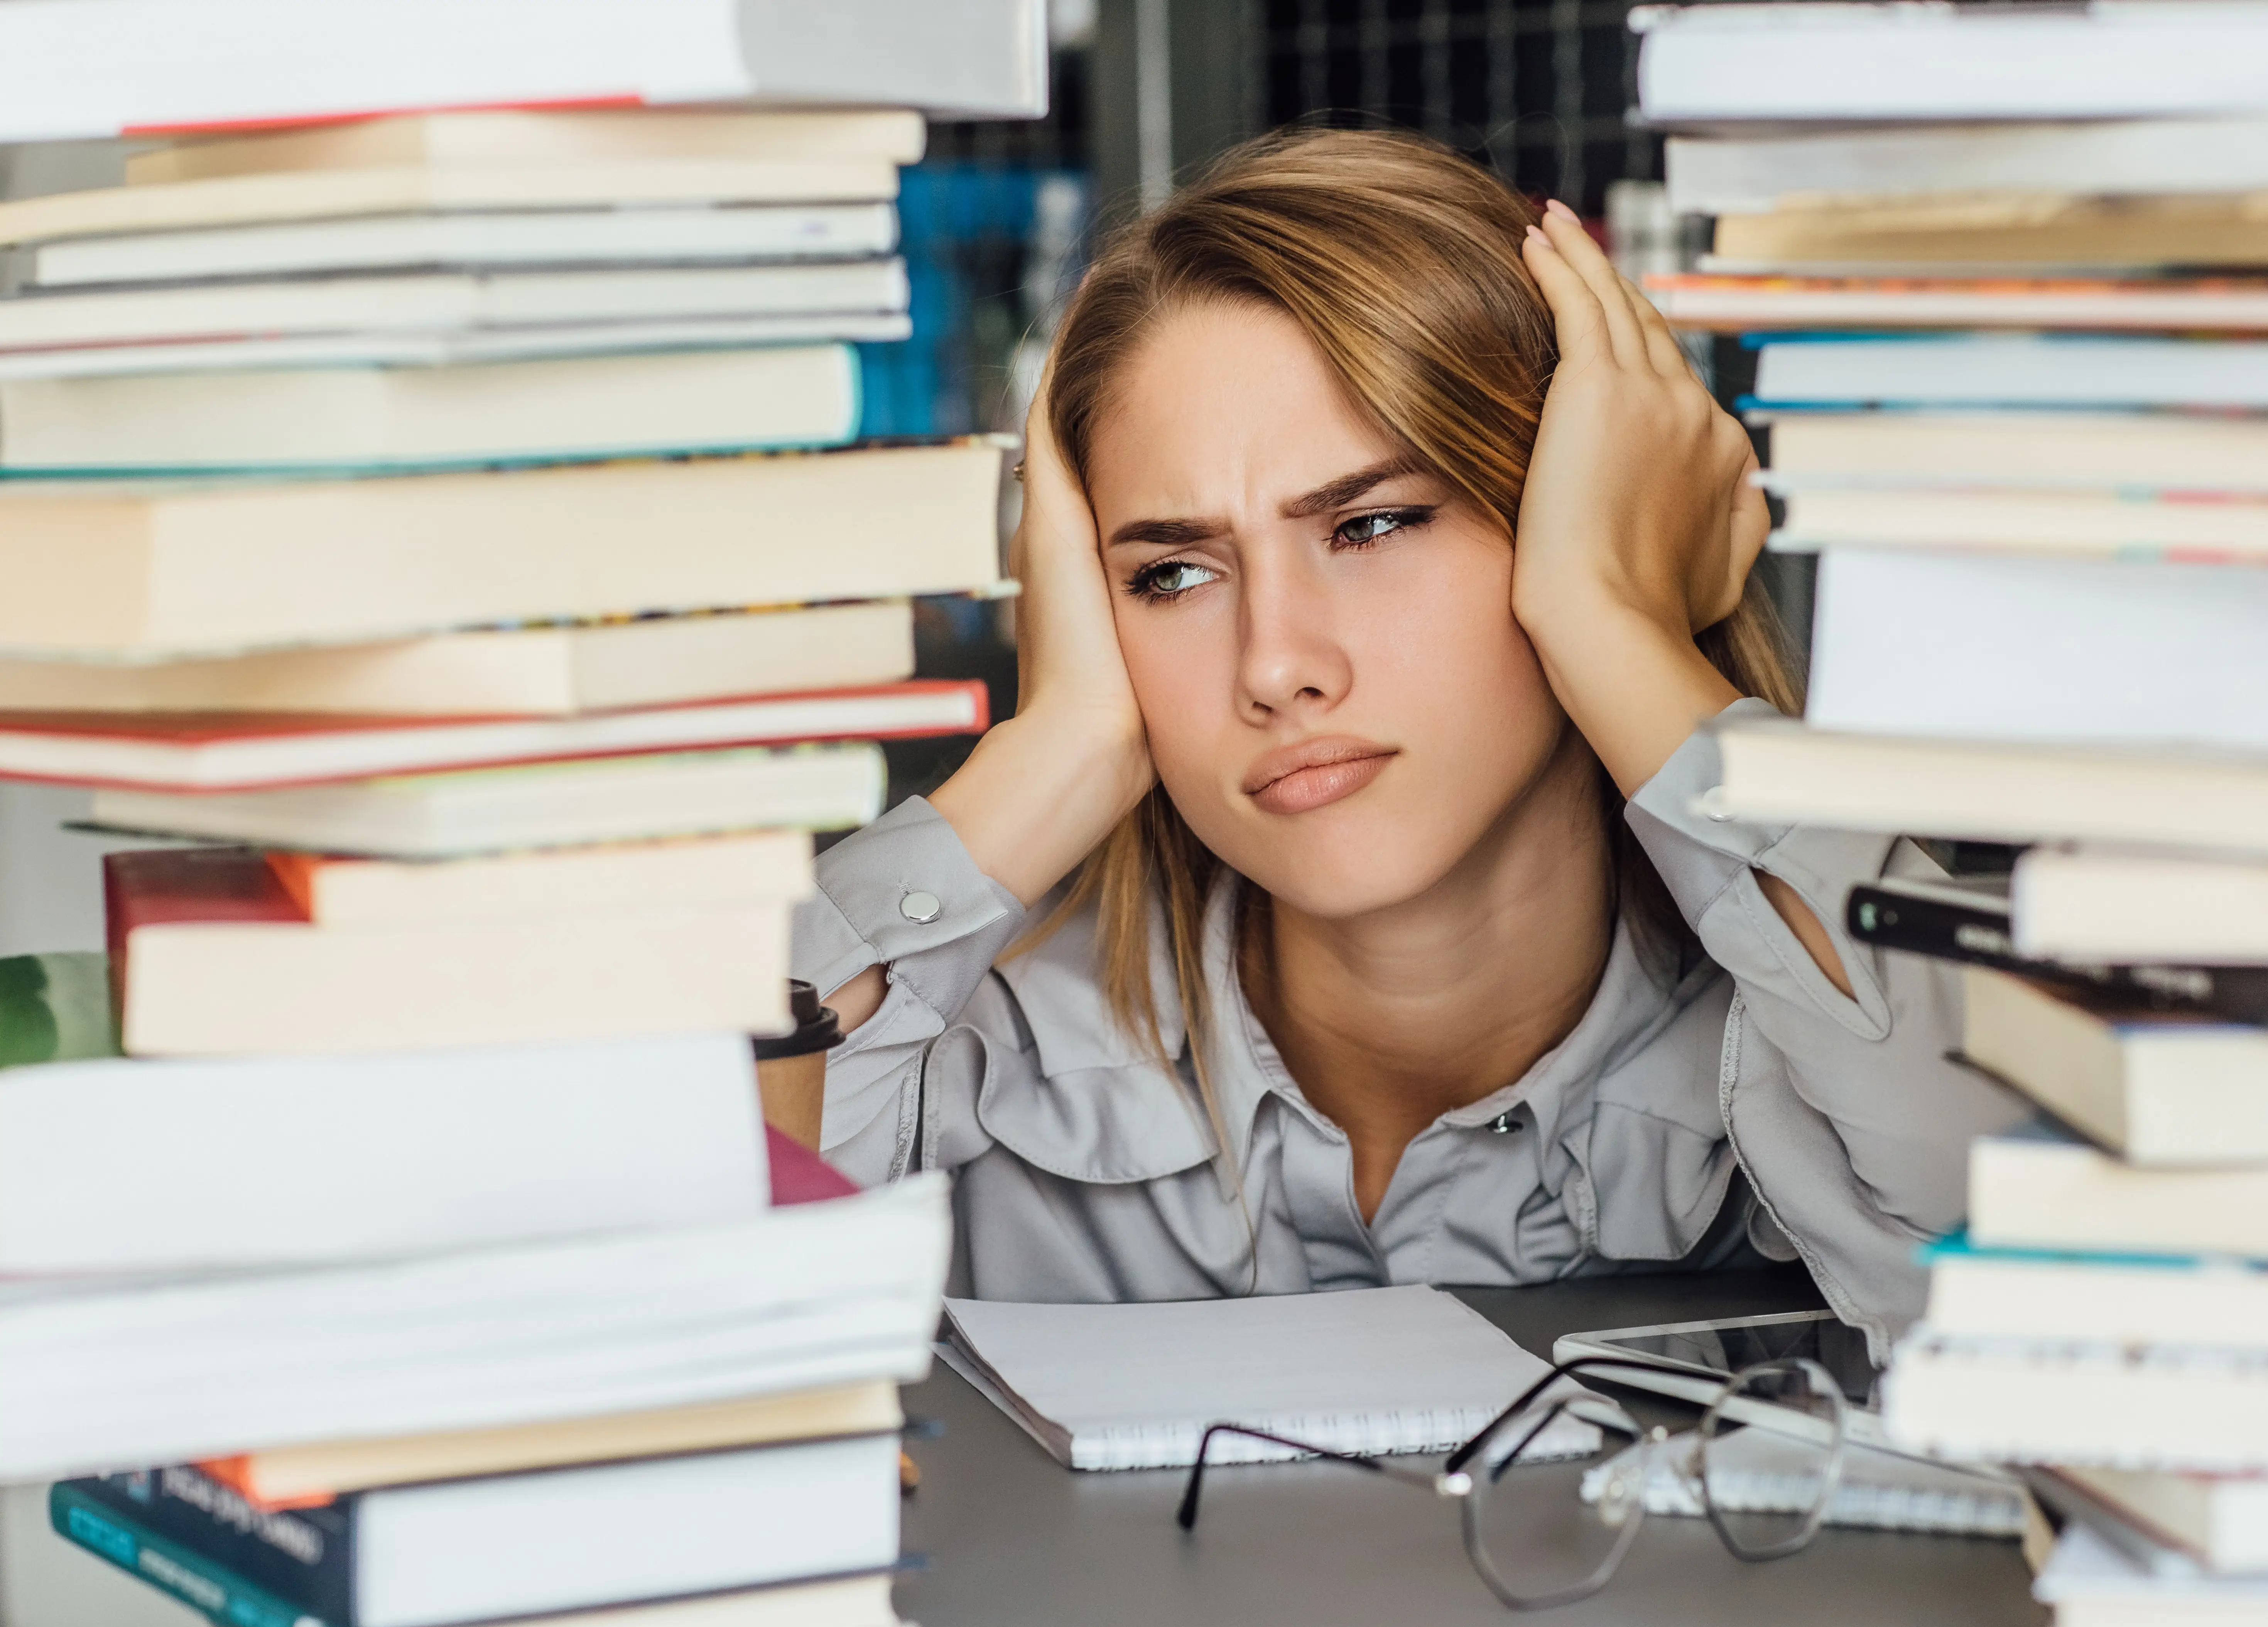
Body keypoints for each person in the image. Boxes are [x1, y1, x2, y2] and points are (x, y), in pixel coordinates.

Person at [794, 127, 2023, 1357]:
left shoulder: (1804, 1057)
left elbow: (2026, 1255)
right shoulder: (974, 1060)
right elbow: (664, 1255)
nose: (1277, 664)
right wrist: (1050, 748)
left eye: (1374, 524)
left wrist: (1622, 631)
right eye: (1173, 572)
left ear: (1569, 521)